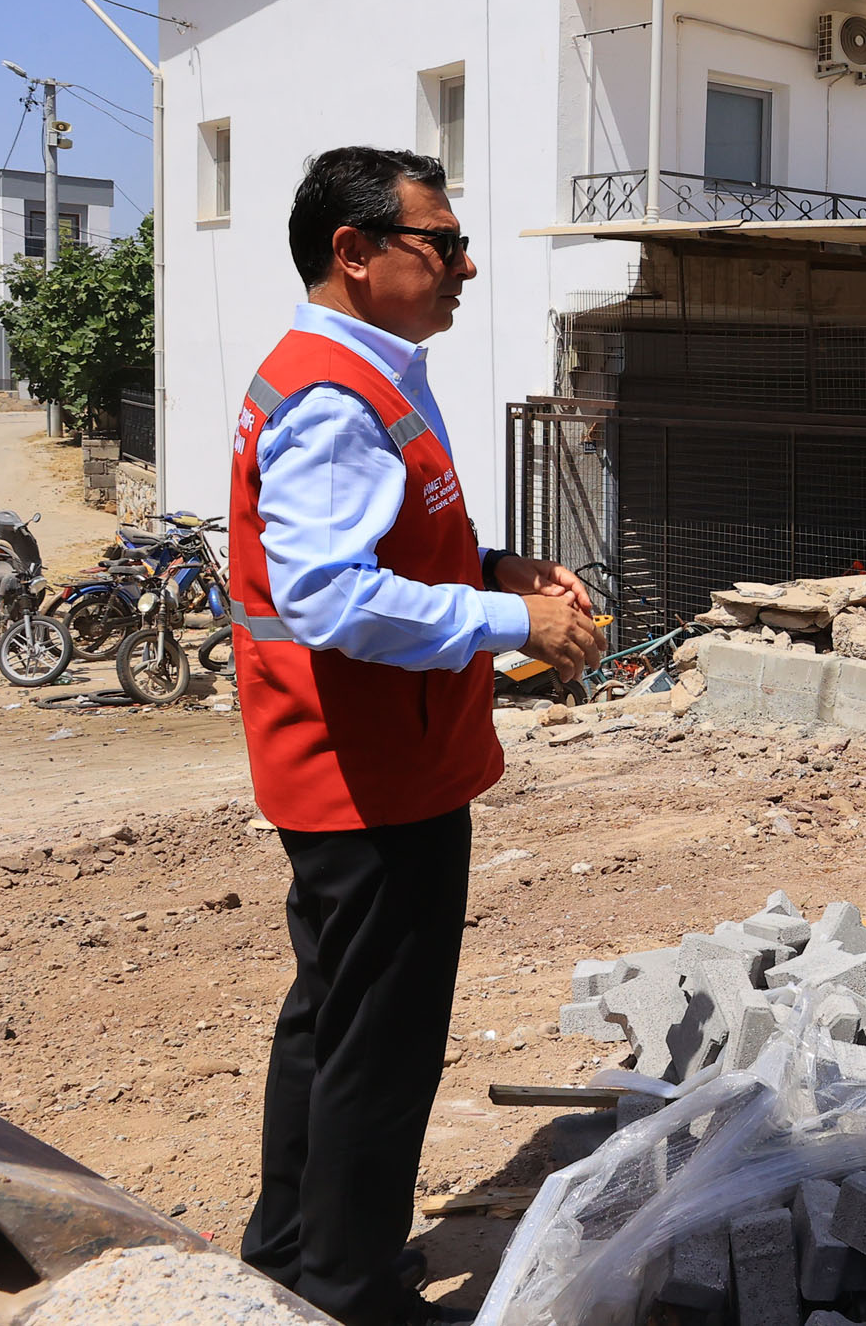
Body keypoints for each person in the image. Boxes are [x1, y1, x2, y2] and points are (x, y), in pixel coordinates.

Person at [230, 148, 605, 1324]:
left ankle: (287, 1247)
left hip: (368, 759)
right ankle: (348, 1286)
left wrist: (498, 568)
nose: (466, 263)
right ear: (356, 253)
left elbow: (393, 547)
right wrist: (513, 618)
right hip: (369, 769)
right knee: (379, 1049)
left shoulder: (370, 371)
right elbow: (330, 594)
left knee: (331, 1016)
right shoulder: (337, 395)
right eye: (441, 243)